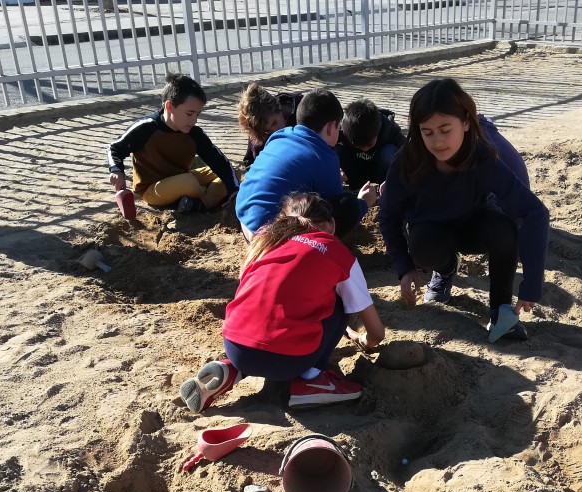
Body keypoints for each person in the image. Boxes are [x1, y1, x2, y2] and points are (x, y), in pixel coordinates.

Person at [377, 78, 549, 343]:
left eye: (445, 130)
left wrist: (532, 285)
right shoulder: (406, 161)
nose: (438, 141)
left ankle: (500, 312)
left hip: (475, 224)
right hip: (431, 231)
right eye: (427, 132)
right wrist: (404, 266)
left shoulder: (483, 156)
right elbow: (388, 216)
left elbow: (534, 211)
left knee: (505, 230)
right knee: (422, 246)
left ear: (466, 123)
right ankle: (446, 270)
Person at [179, 193, 385, 411]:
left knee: (268, 308)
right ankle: (312, 377)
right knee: (341, 298)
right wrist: (363, 339)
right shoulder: (337, 252)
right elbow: (377, 333)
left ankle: (232, 369)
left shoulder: (264, 241)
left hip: (235, 346)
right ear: (331, 225)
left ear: (283, 220)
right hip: (288, 360)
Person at [235, 88, 379, 241]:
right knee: (348, 205)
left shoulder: (280, 136)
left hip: (246, 222)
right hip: (271, 237)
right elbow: (336, 204)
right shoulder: (325, 156)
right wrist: (363, 203)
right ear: (331, 127)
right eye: (338, 127)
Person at [107, 73, 239, 214]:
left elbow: (217, 159)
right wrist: (117, 170)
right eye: (189, 114)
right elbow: (114, 148)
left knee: (234, 174)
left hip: (184, 178)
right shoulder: (146, 127)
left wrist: (233, 188)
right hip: (152, 189)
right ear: (169, 106)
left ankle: (200, 204)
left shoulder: (194, 133)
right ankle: (205, 199)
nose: (194, 120)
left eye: (197, 114)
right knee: (189, 182)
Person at [335, 98, 406, 191]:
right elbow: (324, 147)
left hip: (380, 170)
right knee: (337, 151)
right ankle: (357, 188)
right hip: (355, 170)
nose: (365, 149)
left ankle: (386, 187)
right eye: (358, 145)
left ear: (378, 130)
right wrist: (335, 168)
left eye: (369, 144)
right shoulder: (342, 129)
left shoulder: (389, 129)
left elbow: (408, 153)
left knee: (389, 152)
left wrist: (395, 178)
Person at [237, 84, 303, 167]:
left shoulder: (304, 112)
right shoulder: (259, 131)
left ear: (278, 105)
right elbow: (250, 162)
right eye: (267, 131)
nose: (275, 132)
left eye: (274, 123)